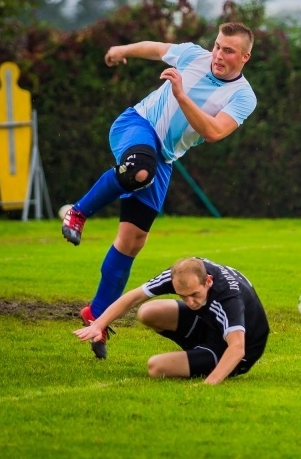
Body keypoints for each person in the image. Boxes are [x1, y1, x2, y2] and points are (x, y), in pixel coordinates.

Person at [62, 22, 257, 359]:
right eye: (217, 46)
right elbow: (155, 48)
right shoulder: (193, 56)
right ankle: (78, 212)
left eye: (228, 50)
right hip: (136, 125)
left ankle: (97, 313)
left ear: (244, 57)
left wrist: (181, 94)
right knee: (139, 170)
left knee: (132, 241)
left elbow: (212, 132)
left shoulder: (243, 96)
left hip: (163, 159)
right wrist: (122, 50)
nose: (218, 55)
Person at [74, 257, 269, 384]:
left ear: (208, 281)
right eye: (183, 296)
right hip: (209, 324)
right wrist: (99, 324)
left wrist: (208, 384)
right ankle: (197, 353)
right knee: (147, 311)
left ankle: (204, 356)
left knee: (156, 367)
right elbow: (135, 296)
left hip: (238, 349)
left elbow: (237, 348)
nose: (190, 302)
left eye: (194, 294)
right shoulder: (182, 273)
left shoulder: (228, 298)